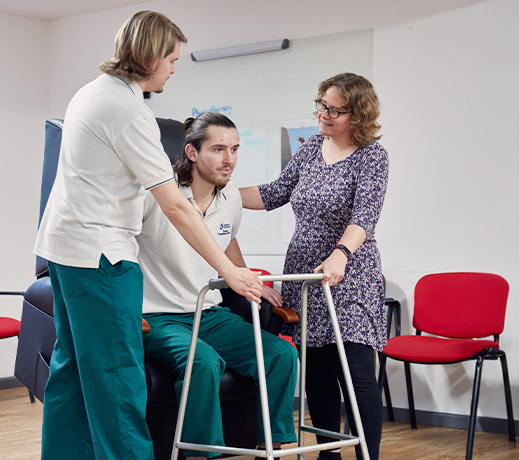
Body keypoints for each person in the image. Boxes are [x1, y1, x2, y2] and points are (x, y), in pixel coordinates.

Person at [34, 11, 262, 460]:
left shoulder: (91, 93)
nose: (175, 68)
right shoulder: (127, 110)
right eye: (172, 59)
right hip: (100, 257)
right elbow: (175, 203)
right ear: (150, 55)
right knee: (119, 377)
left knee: (74, 371)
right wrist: (229, 271)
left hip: (64, 248)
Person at [240, 72, 388, 460]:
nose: (323, 114)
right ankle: (329, 454)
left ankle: (366, 456)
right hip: (306, 276)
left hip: (349, 274)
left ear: (358, 114)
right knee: (319, 375)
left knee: (356, 376)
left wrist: (340, 253)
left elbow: (365, 217)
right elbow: (273, 193)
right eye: (321, 105)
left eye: (334, 110)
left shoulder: (372, 156)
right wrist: (211, 190)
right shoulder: (310, 150)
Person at [137, 111, 298, 460]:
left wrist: (245, 279)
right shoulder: (159, 196)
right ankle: (200, 452)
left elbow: (227, 239)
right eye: (219, 149)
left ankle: (269, 445)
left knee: (282, 355)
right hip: (159, 316)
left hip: (208, 313)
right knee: (203, 363)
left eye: (236, 149)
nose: (230, 160)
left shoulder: (231, 199)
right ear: (192, 153)